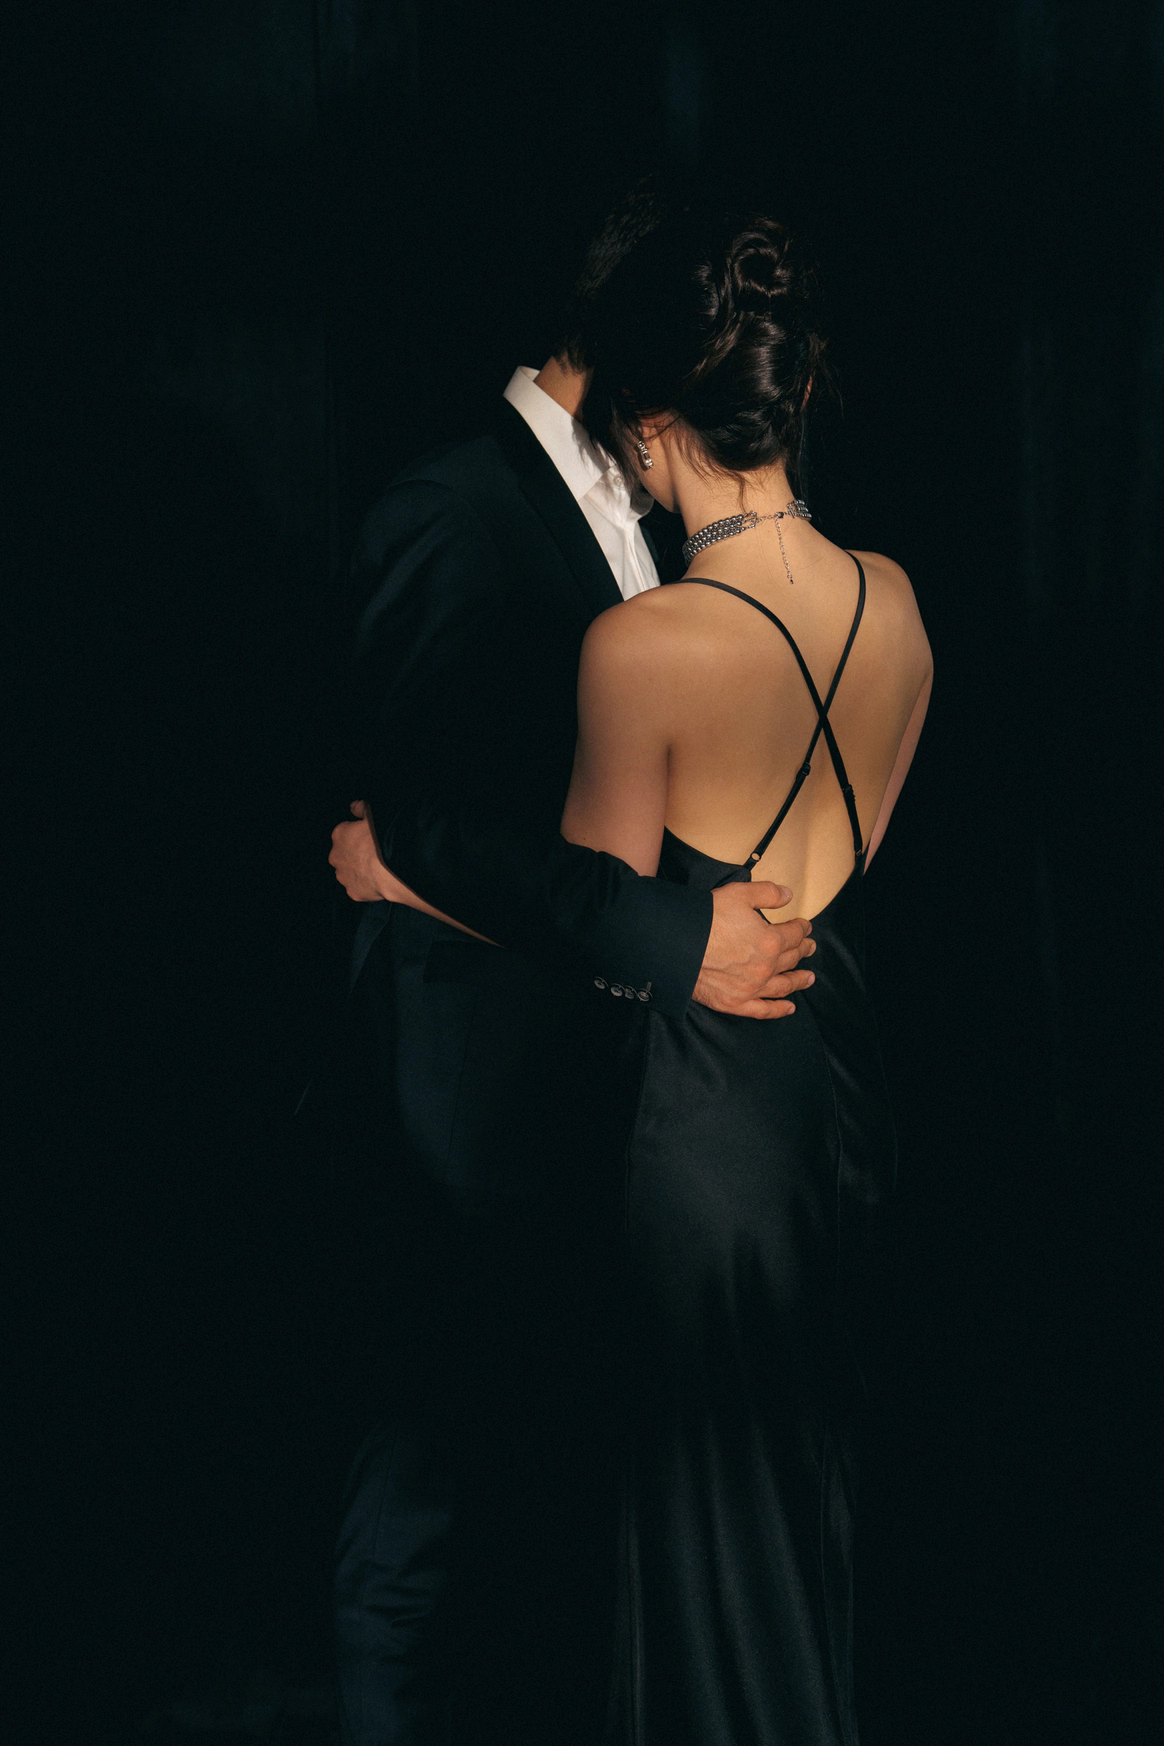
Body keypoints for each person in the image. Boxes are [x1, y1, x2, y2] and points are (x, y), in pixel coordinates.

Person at [342, 189, 932, 1746]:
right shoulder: (899, 603)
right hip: (838, 1094)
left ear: (661, 426)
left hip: (697, 1121)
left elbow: (598, 927)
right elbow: (822, 875)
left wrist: (405, 873)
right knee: (800, 1500)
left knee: (692, 1543)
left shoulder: (649, 644)